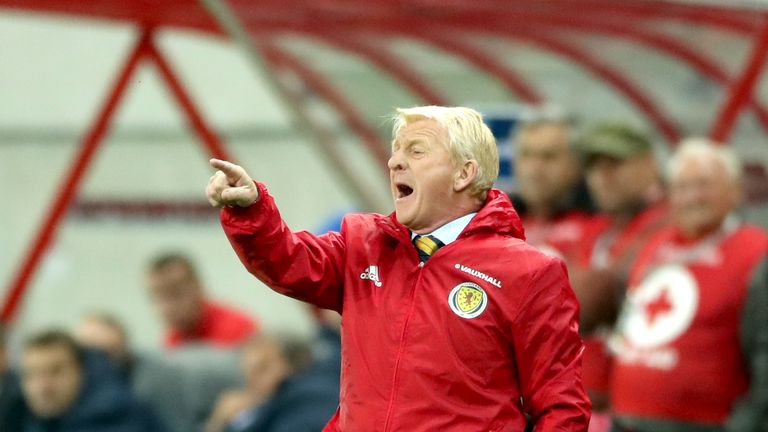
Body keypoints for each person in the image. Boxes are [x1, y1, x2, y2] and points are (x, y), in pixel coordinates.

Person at [205, 105, 590, 431]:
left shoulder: (528, 272)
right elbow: (287, 262)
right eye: (395, 151)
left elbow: (561, 404)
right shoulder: (364, 245)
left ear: (464, 173)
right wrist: (251, 209)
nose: (395, 161)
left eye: (416, 151)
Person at [609, 139, 768, 432]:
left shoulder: (757, 252)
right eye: (682, 187)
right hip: (626, 420)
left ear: (735, 191)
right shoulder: (653, 244)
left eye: (704, 185)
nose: (692, 197)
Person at [569, 122, 668, 417]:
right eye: (595, 168)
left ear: (650, 165)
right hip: (578, 403)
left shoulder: (668, 228)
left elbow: (583, 302)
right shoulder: (593, 230)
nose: (603, 178)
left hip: (635, 407)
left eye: (615, 165)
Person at [74, 312, 242, 432]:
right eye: (90, 356)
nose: (99, 364)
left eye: (104, 354)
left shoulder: (150, 380)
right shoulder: (98, 393)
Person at [19, 329, 164, 432]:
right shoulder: (35, 421)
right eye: (31, 374)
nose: (42, 387)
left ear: (81, 371)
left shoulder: (120, 417)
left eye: (55, 372)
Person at [509, 114, 602, 260]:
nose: (535, 168)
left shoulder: (599, 221)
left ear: (575, 164)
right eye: (527, 155)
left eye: (548, 156)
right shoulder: (499, 221)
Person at [205, 331, 340, 432]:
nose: (251, 381)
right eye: (247, 372)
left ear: (290, 363)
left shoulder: (307, 399)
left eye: (263, 368)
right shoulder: (266, 406)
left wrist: (220, 423)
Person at [146, 252, 259, 349]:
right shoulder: (171, 341)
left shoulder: (240, 332)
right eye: (158, 297)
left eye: (175, 294)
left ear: (198, 287)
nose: (167, 308)